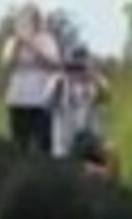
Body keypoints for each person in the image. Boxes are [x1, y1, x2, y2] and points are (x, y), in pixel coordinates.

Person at [52, 45, 121, 180]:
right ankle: (95, 173)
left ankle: (108, 182)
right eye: (73, 68)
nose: (76, 72)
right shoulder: (60, 84)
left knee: (112, 153)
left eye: (79, 68)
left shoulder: (91, 87)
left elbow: (106, 94)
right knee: (84, 171)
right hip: (66, 146)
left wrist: (92, 74)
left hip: (89, 140)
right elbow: (52, 95)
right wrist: (64, 76)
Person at [1, 4, 62, 154]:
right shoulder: (12, 41)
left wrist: (31, 46)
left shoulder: (47, 40)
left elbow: (54, 64)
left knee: (42, 143)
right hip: (17, 98)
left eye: (31, 19)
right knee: (19, 143)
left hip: (40, 99)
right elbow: (7, 64)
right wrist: (18, 44)